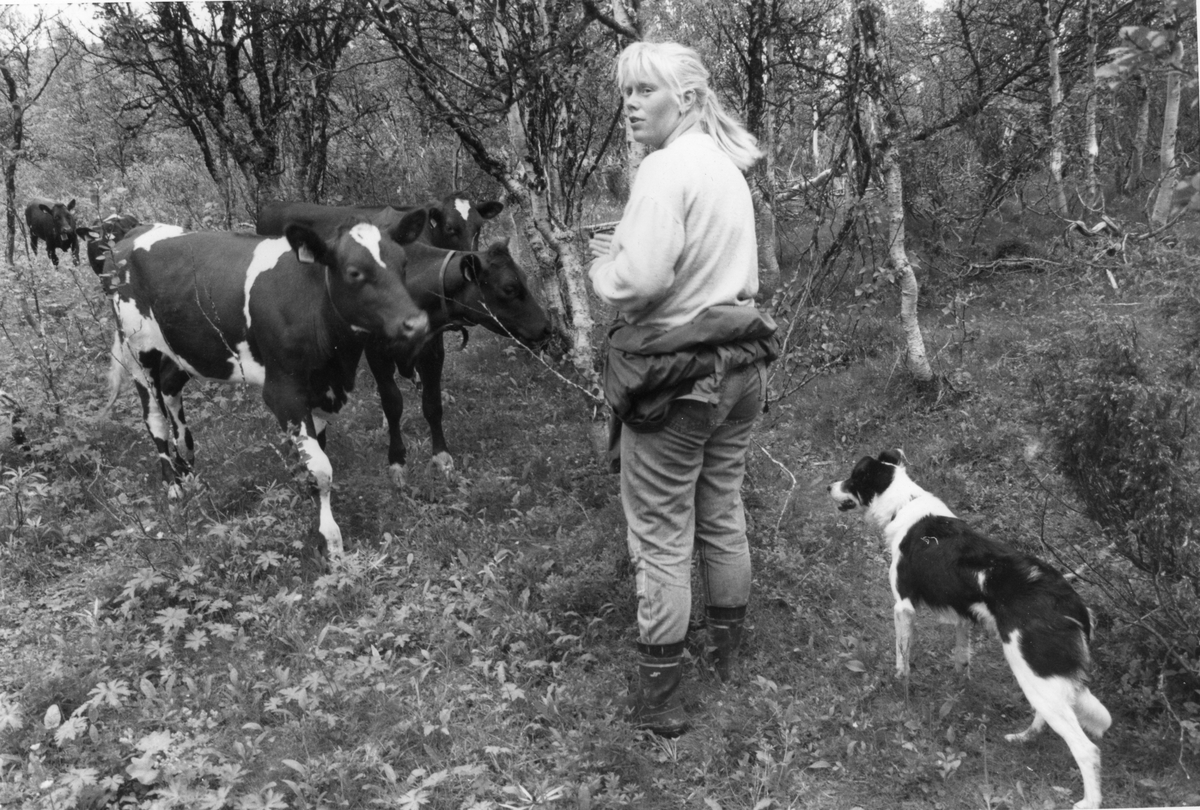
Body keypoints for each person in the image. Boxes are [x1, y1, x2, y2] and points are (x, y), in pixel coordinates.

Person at [588, 41, 779, 737]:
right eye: (627, 93)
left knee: (663, 533)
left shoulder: (666, 170)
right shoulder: (728, 170)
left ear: (689, 100)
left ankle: (661, 703)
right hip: (740, 369)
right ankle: (727, 657)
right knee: (722, 507)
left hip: (676, 381)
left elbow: (639, 283)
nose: (632, 105)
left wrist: (600, 268)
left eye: (646, 91)